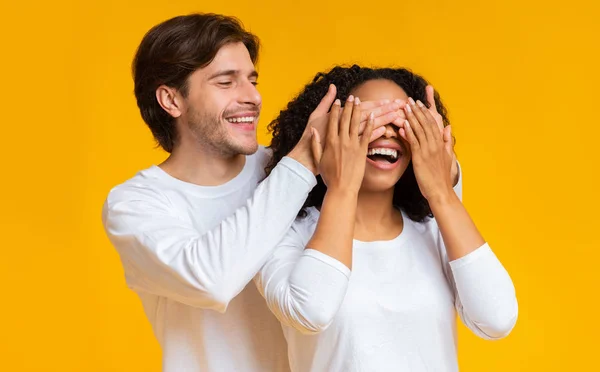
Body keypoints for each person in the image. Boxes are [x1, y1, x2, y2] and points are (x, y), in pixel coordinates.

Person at [101, 14, 400, 372]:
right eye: (226, 82)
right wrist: (303, 158)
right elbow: (212, 280)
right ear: (171, 100)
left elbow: (412, 199)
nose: (253, 97)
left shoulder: (285, 167)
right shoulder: (136, 205)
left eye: (252, 80)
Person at [256, 65, 519, 372]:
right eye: (367, 119)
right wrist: (341, 186)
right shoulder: (285, 232)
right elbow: (311, 310)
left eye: (403, 121)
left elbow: (497, 319)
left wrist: (441, 191)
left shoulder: (434, 230)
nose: (389, 131)